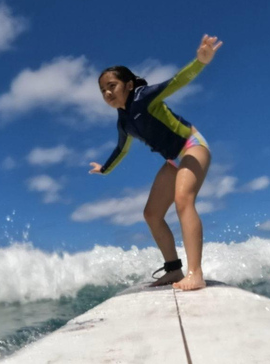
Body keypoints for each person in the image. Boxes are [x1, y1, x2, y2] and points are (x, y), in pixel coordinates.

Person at [89, 34, 223, 291]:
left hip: (192, 146)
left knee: (184, 200)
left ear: (128, 85)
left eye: (112, 86)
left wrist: (200, 61)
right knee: (151, 214)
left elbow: (177, 81)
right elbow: (121, 149)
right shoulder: (124, 121)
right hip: (174, 160)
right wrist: (104, 169)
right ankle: (174, 270)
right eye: (102, 90)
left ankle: (196, 273)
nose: (107, 93)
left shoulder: (144, 97)